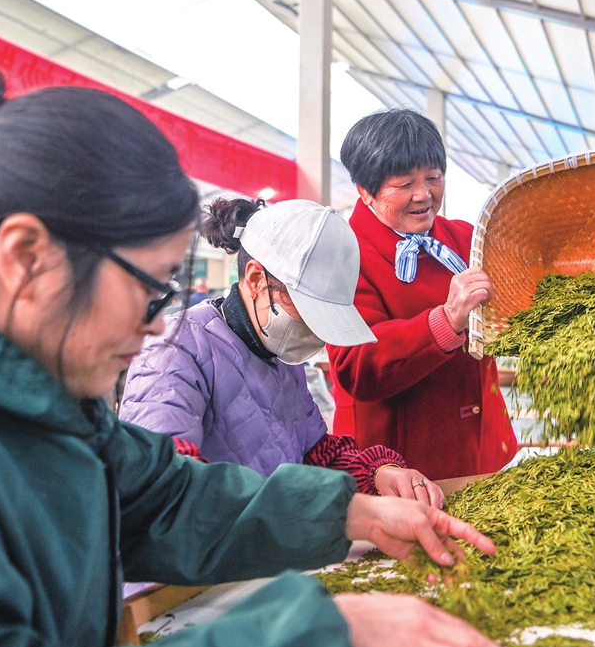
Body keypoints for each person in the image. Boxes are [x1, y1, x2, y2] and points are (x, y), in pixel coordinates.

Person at [0, 57, 527, 647]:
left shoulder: (44, 386)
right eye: (150, 290)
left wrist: (350, 512)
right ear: (26, 258)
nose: (157, 323)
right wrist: (317, 637)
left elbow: (165, 498)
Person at [120, 197, 444, 506]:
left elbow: (316, 456)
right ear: (256, 279)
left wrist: (378, 474)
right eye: (305, 307)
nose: (314, 330)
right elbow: (163, 485)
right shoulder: (176, 351)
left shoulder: (281, 358)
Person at [328, 108, 518, 480]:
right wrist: (446, 321)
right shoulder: (343, 254)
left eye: (433, 178)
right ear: (365, 191)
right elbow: (356, 367)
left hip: (481, 448)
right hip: (400, 463)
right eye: (404, 184)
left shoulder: (466, 238)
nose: (424, 195)